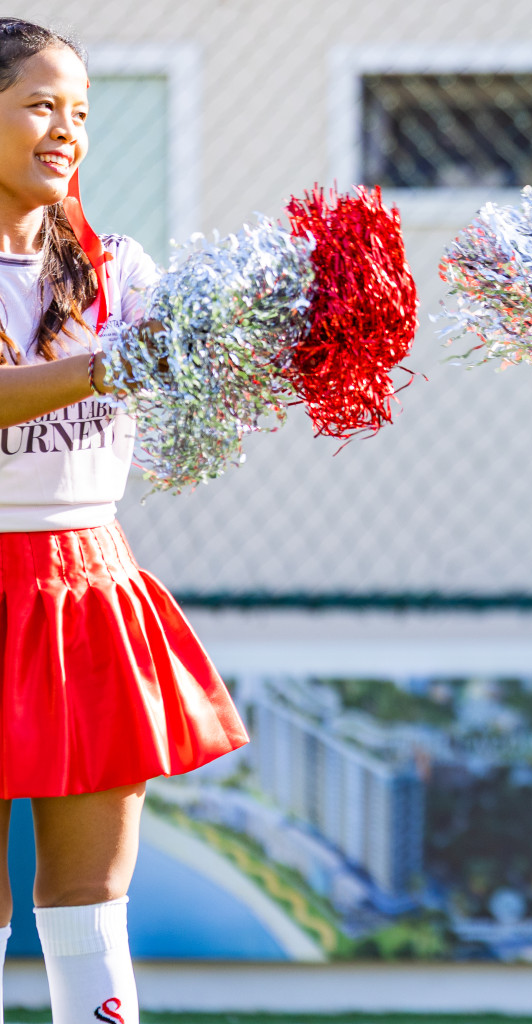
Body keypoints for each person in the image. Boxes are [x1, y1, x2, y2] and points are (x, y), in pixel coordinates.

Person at [0, 20, 247, 1024]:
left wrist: (280, 324)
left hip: (86, 586)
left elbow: (205, 365)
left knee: (92, 898)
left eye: (82, 111)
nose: (68, 130)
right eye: (41, 106)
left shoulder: (118, 268)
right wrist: (110, 365)